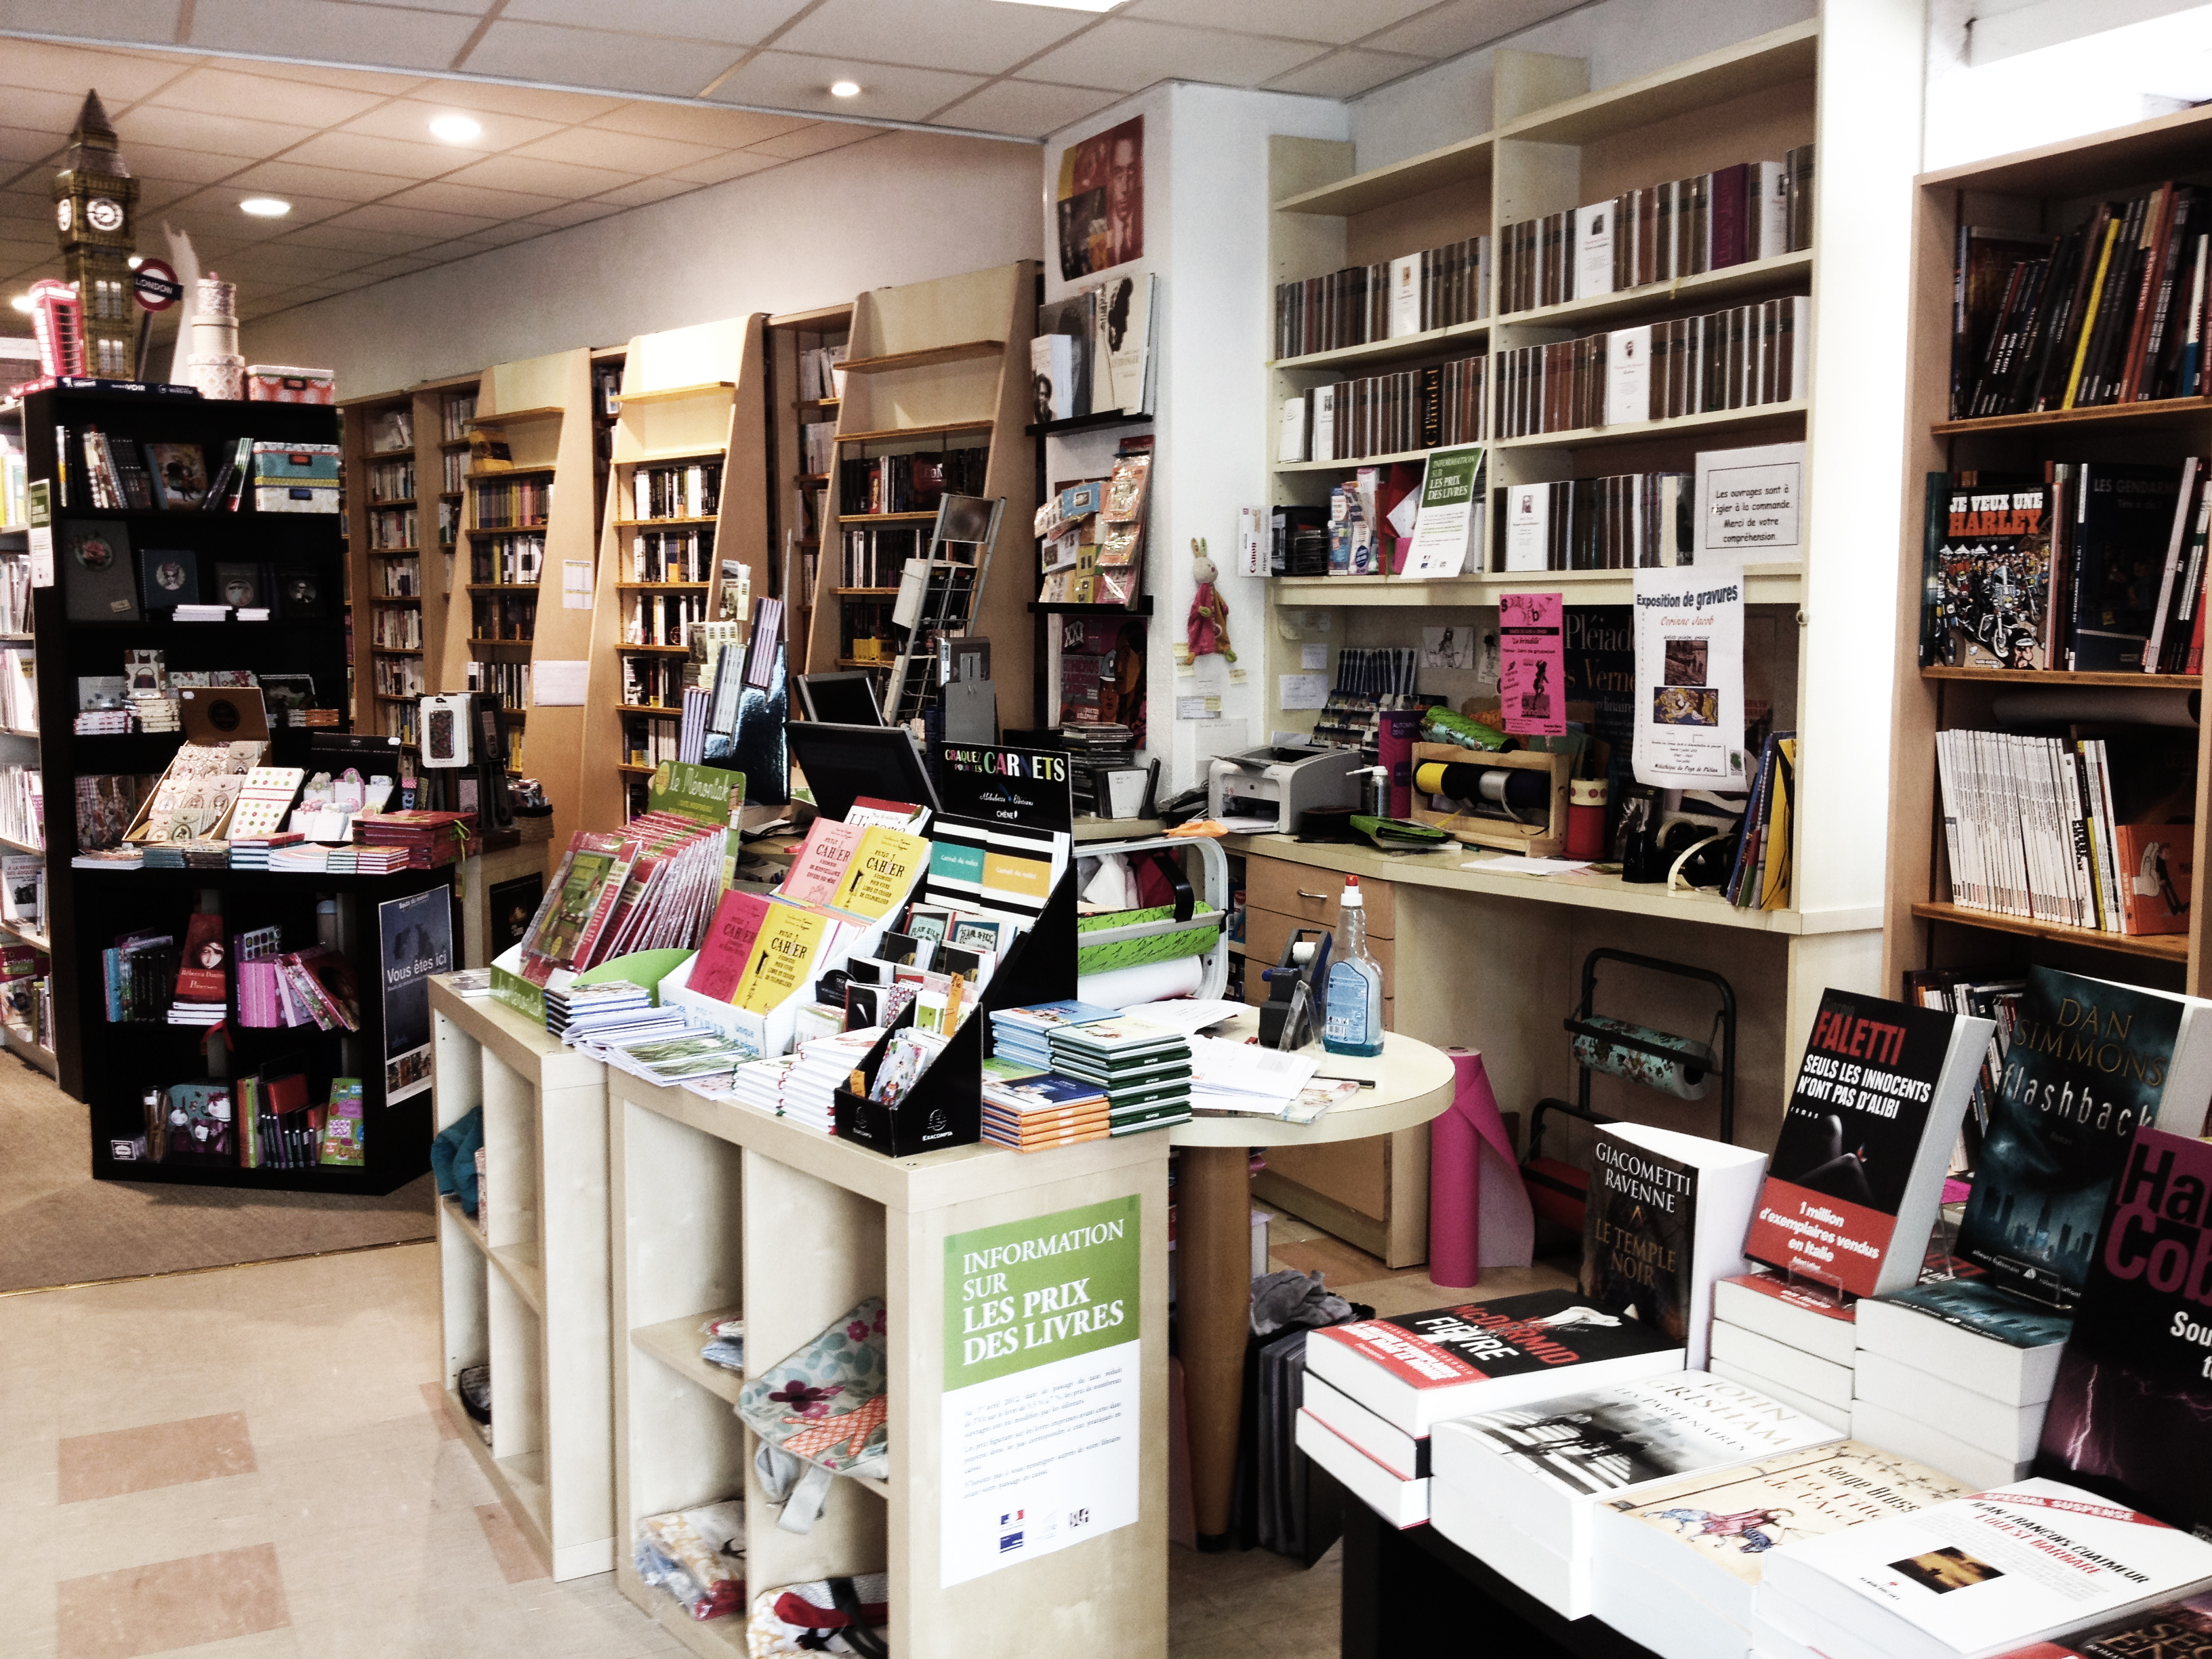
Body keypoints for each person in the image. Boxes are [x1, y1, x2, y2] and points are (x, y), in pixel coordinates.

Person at [1105, 127, 1141, 266]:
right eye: (1118, 173)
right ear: (1109, 176)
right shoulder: (1100, 223)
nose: (1125, 188)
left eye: (1131, 172)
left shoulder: (1149, 220)